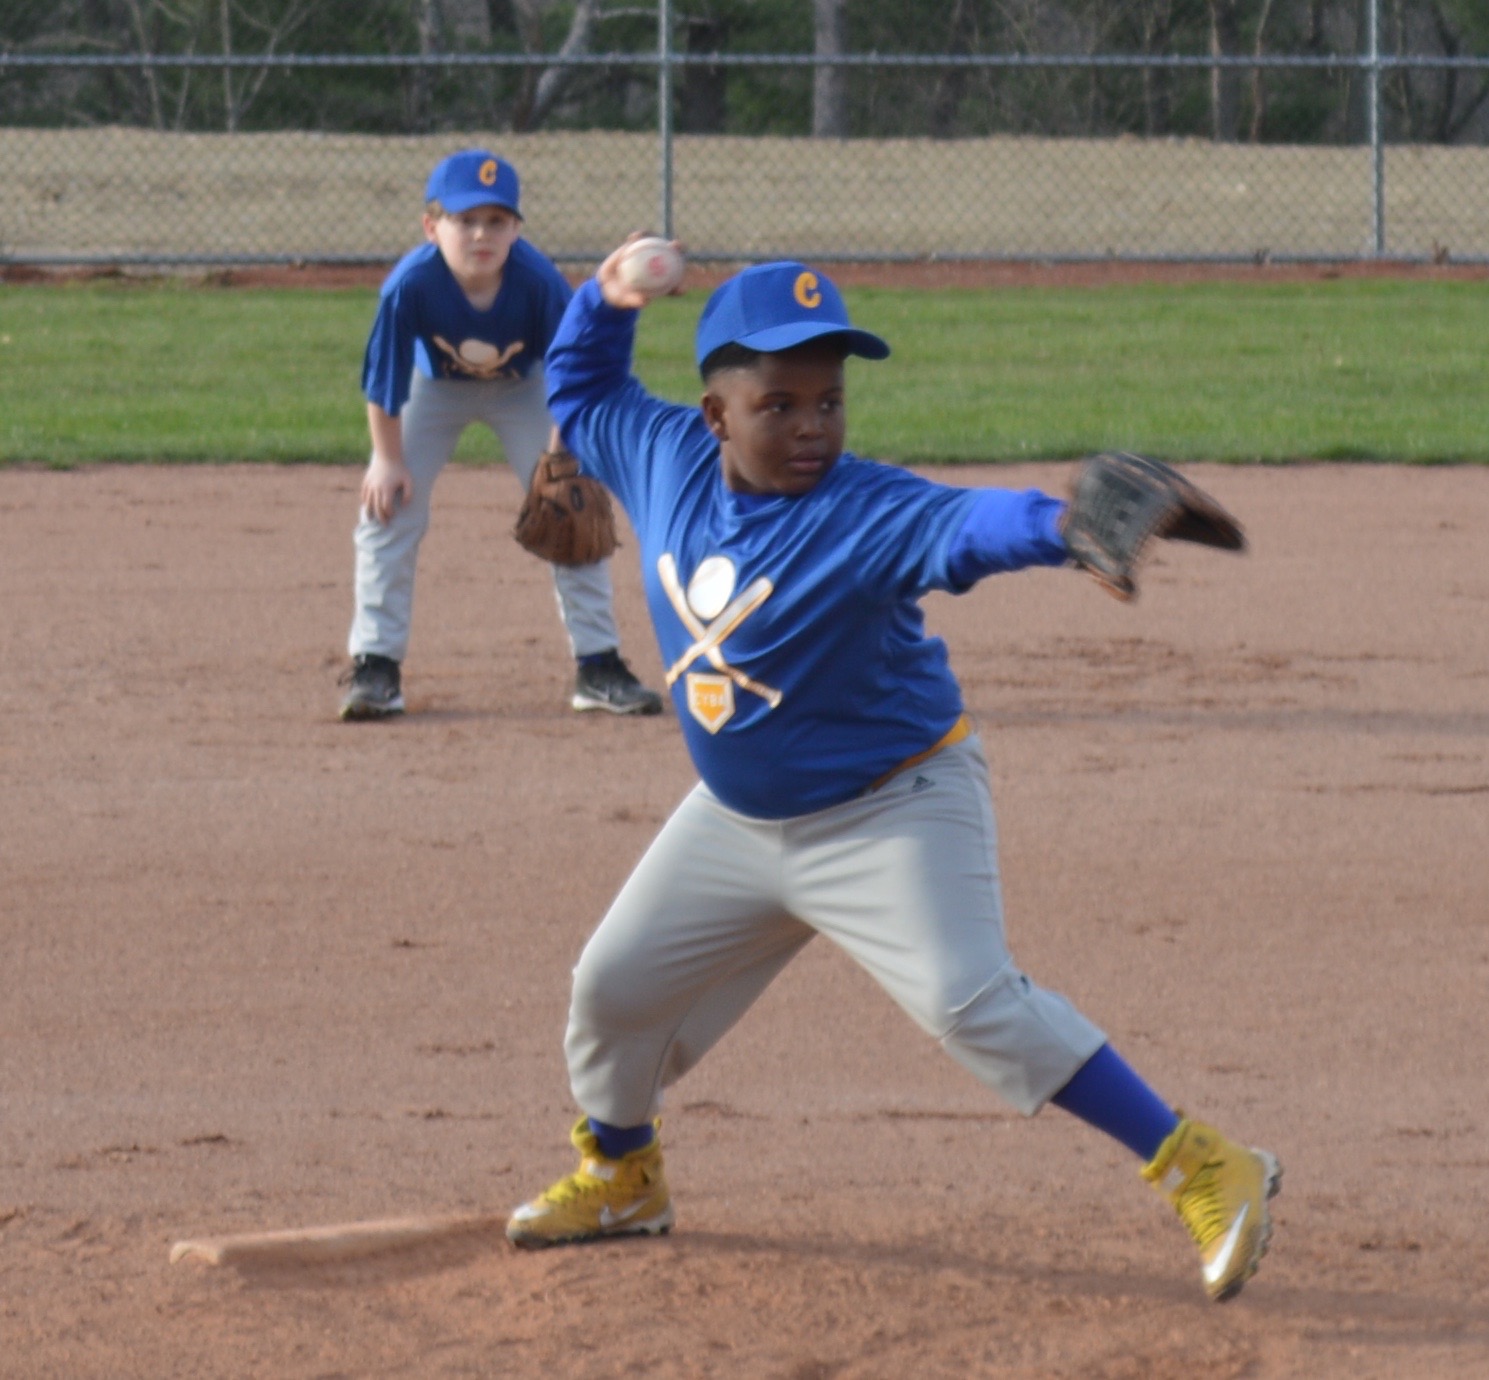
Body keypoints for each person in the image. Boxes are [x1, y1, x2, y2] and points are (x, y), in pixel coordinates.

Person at [503, 241, 1281, 1303]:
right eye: (779, 403)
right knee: (611, 990)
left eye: (829, 400)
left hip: (892, 808)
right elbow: (584, 385)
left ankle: (1204, 1164)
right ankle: (623, 1176)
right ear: (715, 416)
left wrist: (1063, 525)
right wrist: (606, 295)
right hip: (735, 820)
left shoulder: (865, 512)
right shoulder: (658, 456)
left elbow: (964, 523)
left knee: (968, 1003)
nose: (813, 426)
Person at [338, 149, 662, 720]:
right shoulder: (410, 285)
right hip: (432, 389)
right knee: (386, 510)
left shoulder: (537, 283)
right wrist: (387, 462)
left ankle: (599, 665)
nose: (480, 235)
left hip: (526, 388)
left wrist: (563, 459)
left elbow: (572, 371)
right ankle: (375, 667)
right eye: (464, 221)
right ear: (431, 227)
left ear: (516, 229)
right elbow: (383, 383)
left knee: (574, 505)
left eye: (496, 221)